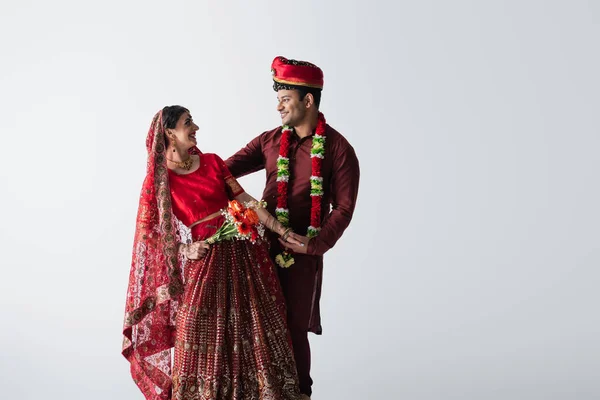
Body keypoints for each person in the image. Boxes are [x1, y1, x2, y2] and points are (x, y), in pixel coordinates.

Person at [122, 106, 306, 400]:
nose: (195, 127)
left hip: (243, 256)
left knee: (255, 327)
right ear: (169, 133)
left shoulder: (212, 162)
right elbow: (149, 235)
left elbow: (244, 199)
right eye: (187, 123)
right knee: (196, 331)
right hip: (204, 262)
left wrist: (280, 229)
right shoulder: (159, 182)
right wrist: (184, 248)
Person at [226, 56, 360, 398]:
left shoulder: (339, 150)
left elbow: (343, 208)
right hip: (258, 249)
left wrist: (314, 245)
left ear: (308, 100)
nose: (279, 107)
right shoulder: (270, 141)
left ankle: (300, 394)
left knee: (293, 328)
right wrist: (183, 166)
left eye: (285, 99)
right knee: (253, 325)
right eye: (279, 99)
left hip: (302, 255)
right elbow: (223, 173)